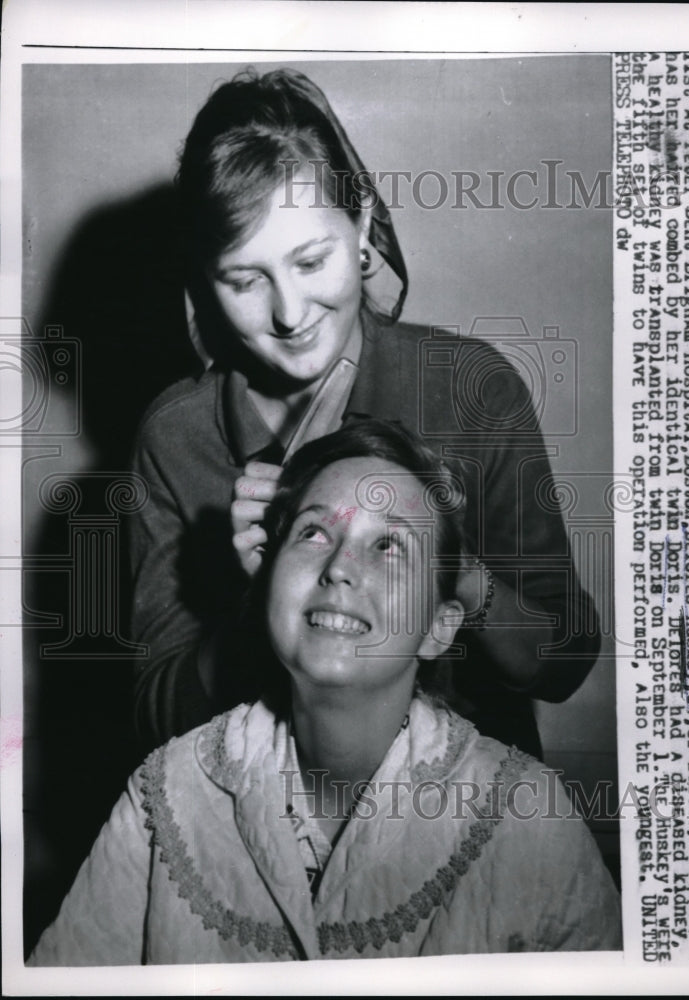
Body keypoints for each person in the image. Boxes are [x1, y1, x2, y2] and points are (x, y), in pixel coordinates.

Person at [130, 66, 602, 758]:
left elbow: (562, 664)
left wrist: (453, 571)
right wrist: (258, 597)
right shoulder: (176, 437)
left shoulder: (472, 389)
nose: (289, 314)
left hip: (466, 823)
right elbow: (155, 722)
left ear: (360, 226)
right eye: (244, 279)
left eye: (311, 261)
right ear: (204, 280)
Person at [30, 420, 621, 965]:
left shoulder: (530, 821)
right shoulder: (164, 795)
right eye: (313, 532)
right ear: (265, 585)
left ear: (440, 626)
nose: (340, 566)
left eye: (389, 545)